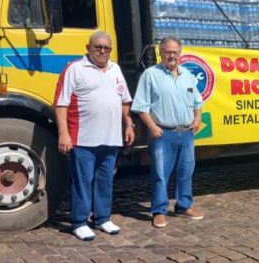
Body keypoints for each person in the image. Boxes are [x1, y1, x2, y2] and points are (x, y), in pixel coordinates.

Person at [54, 30, 134, 241]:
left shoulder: (115, 69)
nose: (102, 51)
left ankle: (102, 218)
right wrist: (64, 134)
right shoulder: (75, 69)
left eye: (106, 48)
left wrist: (128, 124)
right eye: (97, 46)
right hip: (83, 139)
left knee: (105, 180)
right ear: (88, 48)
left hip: (110, 138)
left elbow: (125, 100)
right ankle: (79, 222)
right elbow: (61, 104)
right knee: (82, 181)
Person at [131, 36, 204, 228]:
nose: (171, 55)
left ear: (180, 53)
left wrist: (197, 119)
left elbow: (198, 102)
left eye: (174, 52)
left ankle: (184, 206)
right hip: (162, 133)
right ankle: (159, 211)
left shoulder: (187, 74)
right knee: (161, 174)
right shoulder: (150, 75)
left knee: (186, 171)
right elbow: (141, 106)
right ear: (160, 52)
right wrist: (152, 127)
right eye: (167, 51)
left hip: (186, 133)